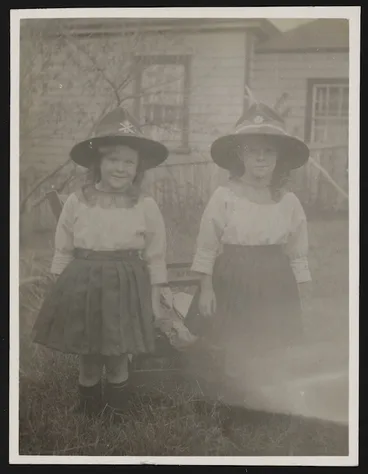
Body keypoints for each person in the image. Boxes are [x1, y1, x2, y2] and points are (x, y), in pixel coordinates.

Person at [32, 107, 170, 417]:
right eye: (112, 160)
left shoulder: (145, 205)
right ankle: (88, 413)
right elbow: (63, 247)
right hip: (85, 284)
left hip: (126, 283)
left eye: (128, 162)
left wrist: (157, 299)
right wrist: (58, 283)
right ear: (98, 163)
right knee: (90, 353)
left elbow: (156, 253)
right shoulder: (77, 201)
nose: (120, 168)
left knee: (119, 353)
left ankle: (117, 413)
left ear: (138, 168)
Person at [184, 99, 313, 411]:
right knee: (236, 342)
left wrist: (300, 288)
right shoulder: (225, 196)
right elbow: (207, 246)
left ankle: (266, 401)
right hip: (233, 275)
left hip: (274, 277)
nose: (260, 157)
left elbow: (297, 249)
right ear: (239, 154)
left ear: (279, 157)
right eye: (252, 149)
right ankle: (232, 404)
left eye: (268, 151)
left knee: (269, 341)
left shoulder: (288, 202)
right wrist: (207, 288)